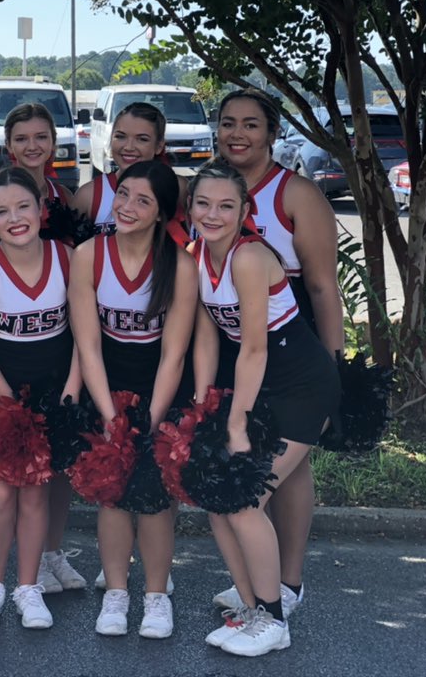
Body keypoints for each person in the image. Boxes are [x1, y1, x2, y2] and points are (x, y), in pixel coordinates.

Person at [189, 162, 339, 656]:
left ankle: (274, 621)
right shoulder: (196, 255)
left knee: (244, 499)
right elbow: (208, 335)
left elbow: (254, 348)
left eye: (225, 206)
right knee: (218, 499)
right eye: (203, 203)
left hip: (300, 387)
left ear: (244, 211)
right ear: (190, 208)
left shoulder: (250, 257)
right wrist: (202, 403)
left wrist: (236, 423)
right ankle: (253, 608)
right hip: (261, 385)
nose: (213, 214)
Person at [209, 88, 343, 618]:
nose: (237, 134)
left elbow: (322, 287)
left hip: (291, 339)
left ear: (271, 132)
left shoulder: (296, 193)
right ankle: (255, 582)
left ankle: (288, 583)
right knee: (250, 461)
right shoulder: (209, 191)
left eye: (251, 124)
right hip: (232, 340)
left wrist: (336, 366)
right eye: (228, 123)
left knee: (288, 467)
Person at [68, 160, 197, 638]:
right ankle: (117, 593)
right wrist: (110, 417)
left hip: (162, 388)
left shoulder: (180, 264)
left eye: (143, 201)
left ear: (162, 212)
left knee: (155, 496)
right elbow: (88, 346)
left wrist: (151, 423)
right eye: (123, 194)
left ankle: (156, 596)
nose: (126, 206)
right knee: (113, 494)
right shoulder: (88, 255)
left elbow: (174, 355)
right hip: (107, 386)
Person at [0, 167, 82, 629]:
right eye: (2, 211)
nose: (15, 219)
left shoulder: (68, 259)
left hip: (51, 391)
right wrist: (11, 405)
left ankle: (28, 589)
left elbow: (85, 338)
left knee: (35, 493)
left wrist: (71, 389)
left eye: (23, 206)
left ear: (41, 207)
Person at [1, 102, 85, 590]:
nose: (32, 146)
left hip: (59, 339)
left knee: (58, 462)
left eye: (41, 137)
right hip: (6, 333)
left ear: (53, 142)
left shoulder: (64, 195)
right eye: (22, 138)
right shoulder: (1, 192)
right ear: (8, 146)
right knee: (0, 465)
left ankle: (51, 553)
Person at [72, 102, 167, 235]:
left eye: (142, 139)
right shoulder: (89, 195)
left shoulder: (176, 190)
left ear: (159, 146)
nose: (128, 147)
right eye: (120, 136)